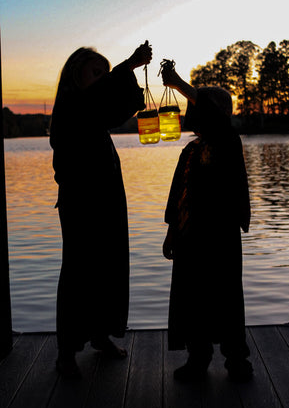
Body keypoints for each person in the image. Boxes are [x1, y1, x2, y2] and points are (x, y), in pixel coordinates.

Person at [50, 41, 152, 378]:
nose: (101, 78)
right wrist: (128, 66)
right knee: (78, 272)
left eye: (104, 73)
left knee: (109, 266)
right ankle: (67, 351)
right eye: (96, 72)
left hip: (108, 196)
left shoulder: (92, 107)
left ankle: (100, 335)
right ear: (75, 71)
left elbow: (116, 111)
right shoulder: (70, 103)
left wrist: (131, 83)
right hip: (81, 200)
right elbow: (95, 101)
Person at [161, 65, 253, 382]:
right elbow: (178, 198)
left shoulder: (228, 143)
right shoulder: (189, 151)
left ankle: (237, 358)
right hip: (189, 239)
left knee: (227, 297)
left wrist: (178, 83)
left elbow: (215, 117)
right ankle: (198, 358)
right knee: (193, 299)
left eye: (202, 106)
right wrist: (172, 234)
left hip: (221, 237)